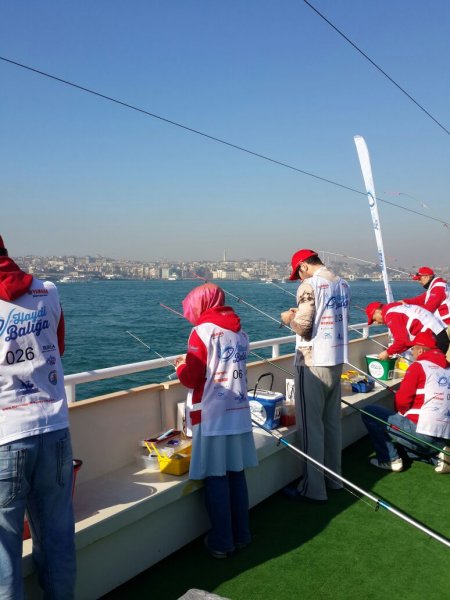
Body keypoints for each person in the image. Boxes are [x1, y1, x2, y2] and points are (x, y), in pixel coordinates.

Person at [0, 235, 76, 599]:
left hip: (6, 436)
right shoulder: (48, 291)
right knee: (58, 533)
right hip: (54, 428)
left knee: (4, 551)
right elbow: (58, 348)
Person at [175, 283, 258, 559]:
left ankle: (221, 541)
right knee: (236, 472)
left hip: (211, 414)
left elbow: (192, 377)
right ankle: (242, 534)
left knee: (216, 476)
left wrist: (180, 366)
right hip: (238, 410)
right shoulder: (240, 332)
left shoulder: (202, 331)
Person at [280, 249, 351, 502]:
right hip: (336, 360)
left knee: (311, 428)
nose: (299, 279)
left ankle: (313, 488)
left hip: (312, 363)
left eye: (298, 274)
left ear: (303, 266)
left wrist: (288, 318)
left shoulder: (309, 285)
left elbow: (304, 327)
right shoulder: (342, 284)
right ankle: (334, 480)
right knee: (332, 424)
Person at [361, 331, 450, 473]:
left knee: (369, 411)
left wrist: (400, 414)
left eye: (412, 349)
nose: (411, 352)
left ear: (420, 350)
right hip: (443, 436)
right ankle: (437, 457)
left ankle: (389, 460)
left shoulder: (418, 366)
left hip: (422, 432)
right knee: (405, 448)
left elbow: (402, 401)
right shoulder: (448, 366)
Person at [365, 300, 449, 358]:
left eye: (374, 319)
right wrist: (394, 351)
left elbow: (401, 341)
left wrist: (387, 352)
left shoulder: (390, 315)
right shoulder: (397, 307)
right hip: (440, 333)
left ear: (378, 311)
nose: (377, 322)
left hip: (434, 339)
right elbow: (406, 341)